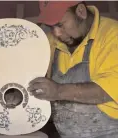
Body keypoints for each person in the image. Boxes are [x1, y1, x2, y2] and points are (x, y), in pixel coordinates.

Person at [27, 1, 118, 138]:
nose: (56, 33)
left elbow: (107, 90)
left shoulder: (112, 35)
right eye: (51, 27)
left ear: (81, 11)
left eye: (60, 25)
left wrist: (58, 91)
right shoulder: (50, 41)